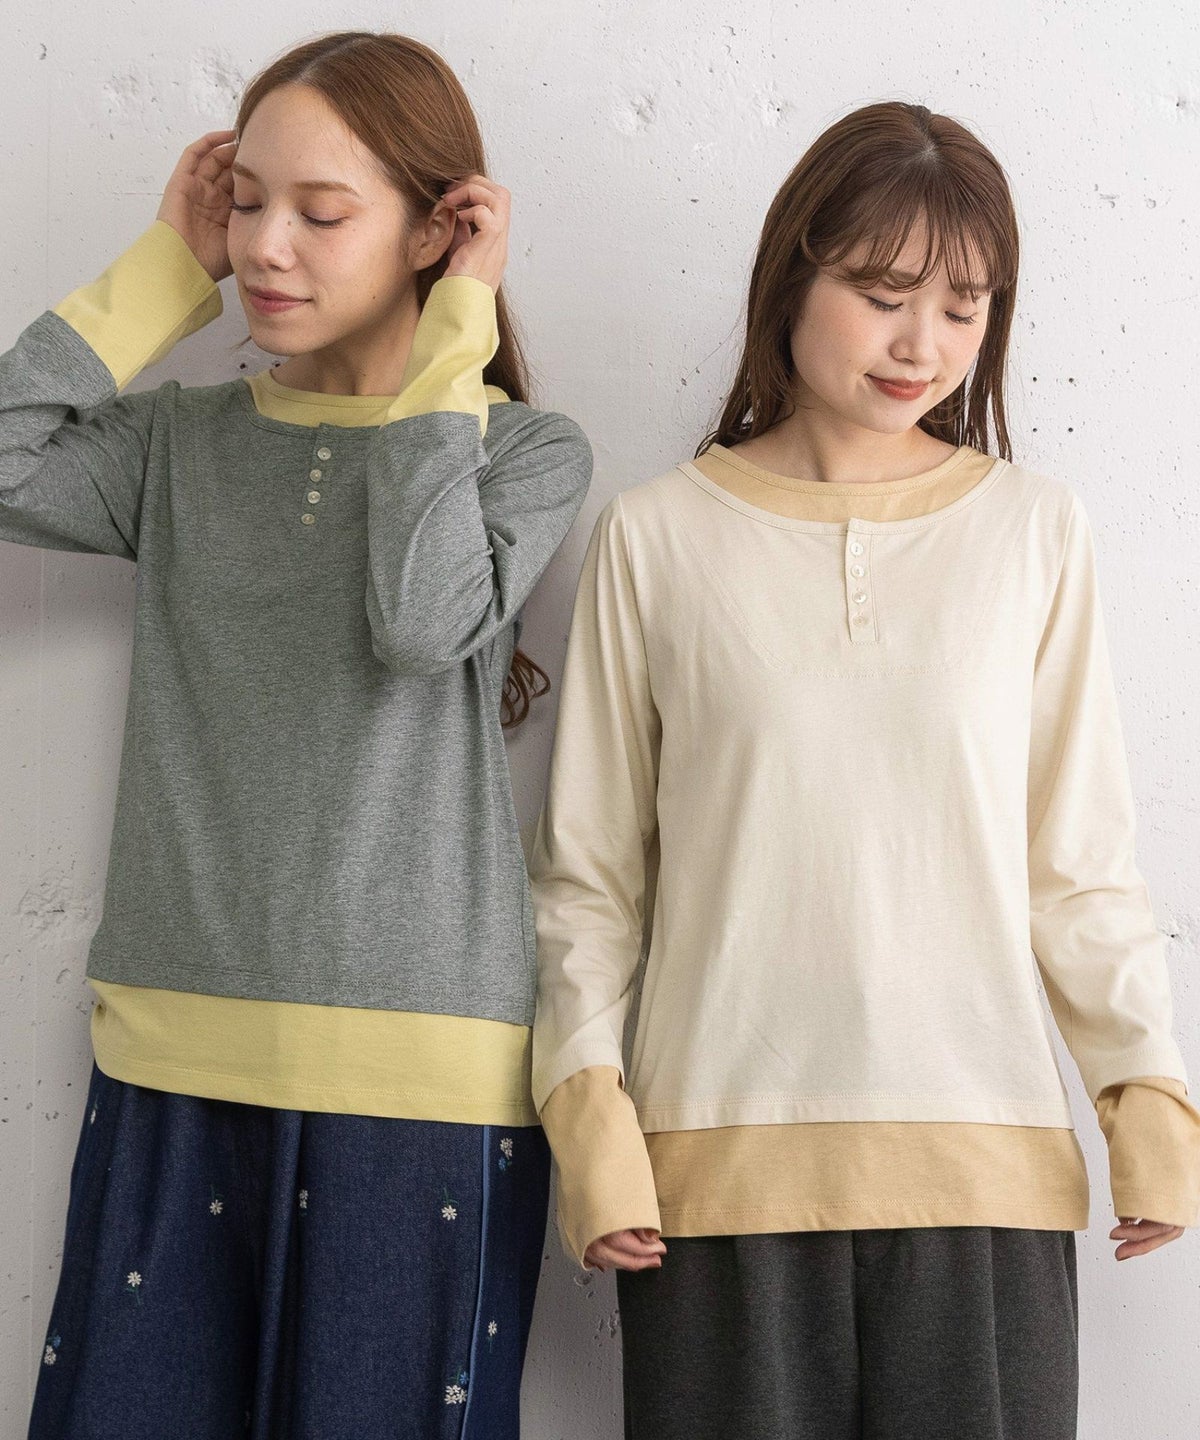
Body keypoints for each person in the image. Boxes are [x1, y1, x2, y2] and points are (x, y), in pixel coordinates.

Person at [529, 101, 1199, 1439]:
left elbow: (1077, 866)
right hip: (713, 1183)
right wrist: (590, 1121)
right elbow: (589, 880)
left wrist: (1146, 1100)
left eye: (963, 307)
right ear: (792, 278)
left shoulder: (1032, 531)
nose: (921, 345)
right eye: (884, 295)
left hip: (983, 1179)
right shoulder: (655, 539)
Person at [1, 29, 591, 1439]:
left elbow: (422, 620)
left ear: (437, 232)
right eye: (247, 202)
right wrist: (165, 269)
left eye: (321, 214)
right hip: (170, 1058)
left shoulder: (521, 451)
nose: (267, 245)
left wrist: (450, 345)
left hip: (423, 1086)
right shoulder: (177, 446)